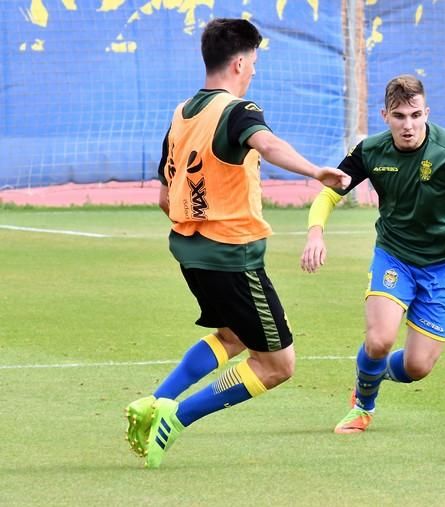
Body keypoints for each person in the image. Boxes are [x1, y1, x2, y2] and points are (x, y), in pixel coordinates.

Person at [125, 18, 350, 468]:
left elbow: (166, 196)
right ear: (241, 62)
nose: (254, 72)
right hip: (234, 258)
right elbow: (267, 144)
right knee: (277, 365)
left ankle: (156, 400)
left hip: (191, 254)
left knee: (232, 336)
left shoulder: (183, 112)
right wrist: (315, 171)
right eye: (254, 63)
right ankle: (176, 417)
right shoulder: (237, 110)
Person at [300, 75, 445, 434]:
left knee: (417, 367)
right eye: (399, 116)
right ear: (385, 115)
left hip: (444, 265)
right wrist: (315, 233)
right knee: (380, 339)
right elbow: (328, 193)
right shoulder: (370, 151)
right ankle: (363, 406)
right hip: (394, 256)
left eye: (415, 115)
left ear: (426, 112)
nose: (408, 125)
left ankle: (370, 373)